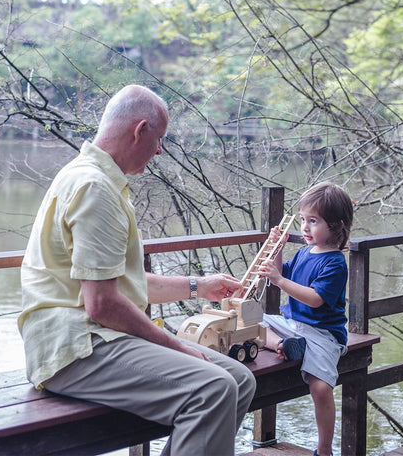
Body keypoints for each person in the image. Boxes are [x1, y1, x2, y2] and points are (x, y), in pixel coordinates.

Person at [18, 84, 256, 456]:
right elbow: (102, 305)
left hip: (94, 338)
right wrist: (177, 345)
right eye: (159, 138)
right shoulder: (95, 188)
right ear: (139, 129)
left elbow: (115, 285)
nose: (159, 149)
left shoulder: (94, 178)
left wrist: (199, 285)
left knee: (239, 379)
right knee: (214, 387)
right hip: (75, 348)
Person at [258, 182, 353, 456]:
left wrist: (278, 279)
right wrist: (276, 248)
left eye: (313, 221)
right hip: (292, 326)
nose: (305, 227)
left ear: (336, 225)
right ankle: (283, 344)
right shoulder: (303, 252)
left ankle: (324, 449)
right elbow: (280, 274)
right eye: (302, 220)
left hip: (322, 333)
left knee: (321, 387)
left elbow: (313, 298)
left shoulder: (335, 262)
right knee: (248, 321)